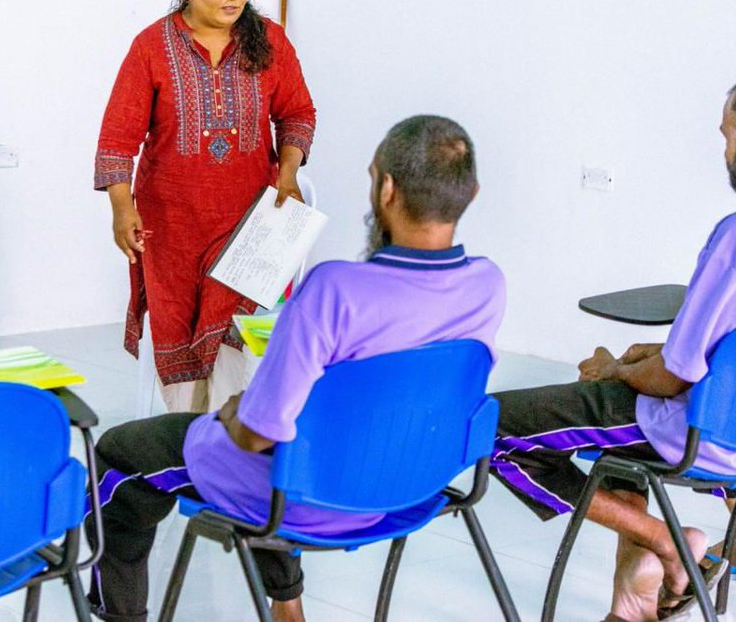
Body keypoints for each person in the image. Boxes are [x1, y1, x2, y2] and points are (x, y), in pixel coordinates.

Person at [86, 115, 505, 622]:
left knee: (120, 453)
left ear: (387, 189)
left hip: (309, 496)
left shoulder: (335, 290)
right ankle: (288, 606)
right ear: (472, 192)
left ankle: (119, 617)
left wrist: (235, 412)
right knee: (299, 432)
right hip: (410, 489)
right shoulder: (487, 285)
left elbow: (258, 435)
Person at [489, 69, 736, 622]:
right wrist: (652, 356)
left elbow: (673, 379)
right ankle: (634, 601)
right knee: (618, 433)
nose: (724, 149)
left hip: (713, 436)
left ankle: (668, 542)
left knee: (493, 428)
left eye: (726, 137)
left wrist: (616, 369)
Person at [94, 0, 317, 414]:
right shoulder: (152, 47)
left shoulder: (269, 41)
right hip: (170, 222)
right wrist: (121, 207)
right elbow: (117, 136)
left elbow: (298, 113)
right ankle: (189, 429)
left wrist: (288, 173)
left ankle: (228, 429)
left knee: (233, 323)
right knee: (177, 320)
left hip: (249, 217)